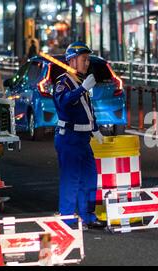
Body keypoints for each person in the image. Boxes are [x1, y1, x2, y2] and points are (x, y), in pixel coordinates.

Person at [53, 41, 104, 230]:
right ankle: (66, 218)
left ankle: (88, 215)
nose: (87, 63)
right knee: (71, 179)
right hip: (69, 137)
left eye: (88, 60)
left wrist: (95, 128)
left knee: (90, 177)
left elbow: (87, 110)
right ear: (72, 61)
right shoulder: (63, 82)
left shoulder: (80, 82)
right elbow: (63, 103)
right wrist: (82, 89)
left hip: (83, 138)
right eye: (84, 59)